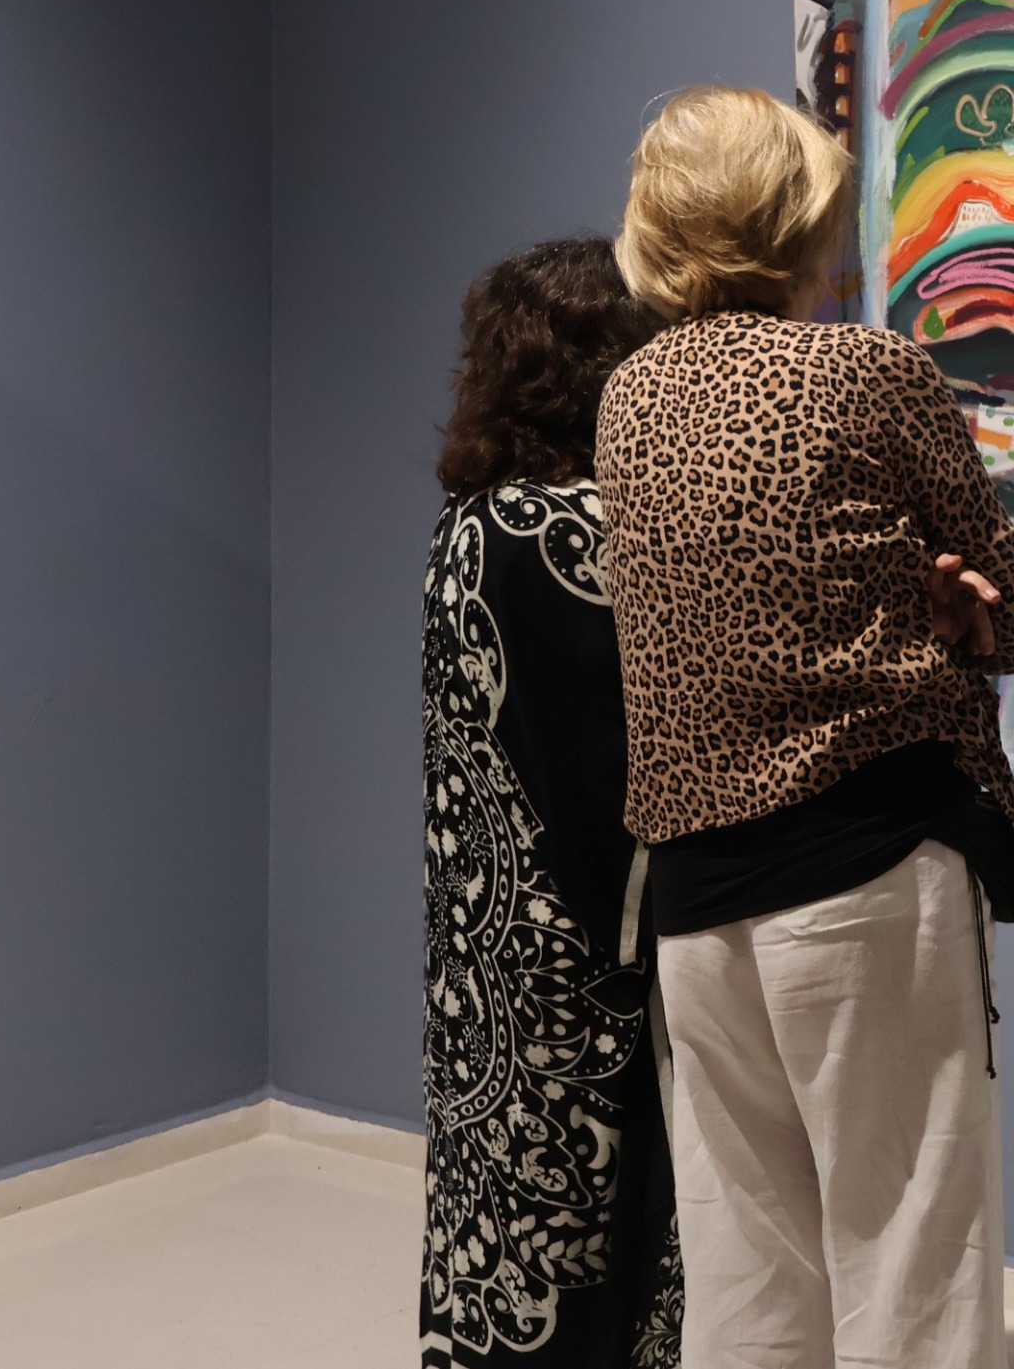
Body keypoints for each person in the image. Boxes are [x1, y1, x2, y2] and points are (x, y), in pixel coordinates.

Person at [594, 86, 1014, 1369]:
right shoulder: (868, 370)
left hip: (695, 895)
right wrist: (962, 613)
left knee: (747, 1271)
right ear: (794, 218)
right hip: (862, 872)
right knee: (909, 1260)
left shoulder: (628, 397)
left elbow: (742, 609)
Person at [420, 238, 681, 1368]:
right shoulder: (578, 532)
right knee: (598, 1223)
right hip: (581, 956)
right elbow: (621, 768)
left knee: (495, 1205)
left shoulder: (471, 521)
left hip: (485, 954)